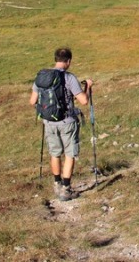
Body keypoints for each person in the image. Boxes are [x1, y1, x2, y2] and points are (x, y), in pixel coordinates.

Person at [29, 47, 92, 201]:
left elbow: (32, 101)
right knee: (70, 154)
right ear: (68, 61)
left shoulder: (42, 77)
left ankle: (57, 183)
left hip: (49, 122)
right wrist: (88, 87)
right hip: (67, 122)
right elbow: (83, 101)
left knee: (55, 153)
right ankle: (66, 188)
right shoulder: (69, 78)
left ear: (55, 59)